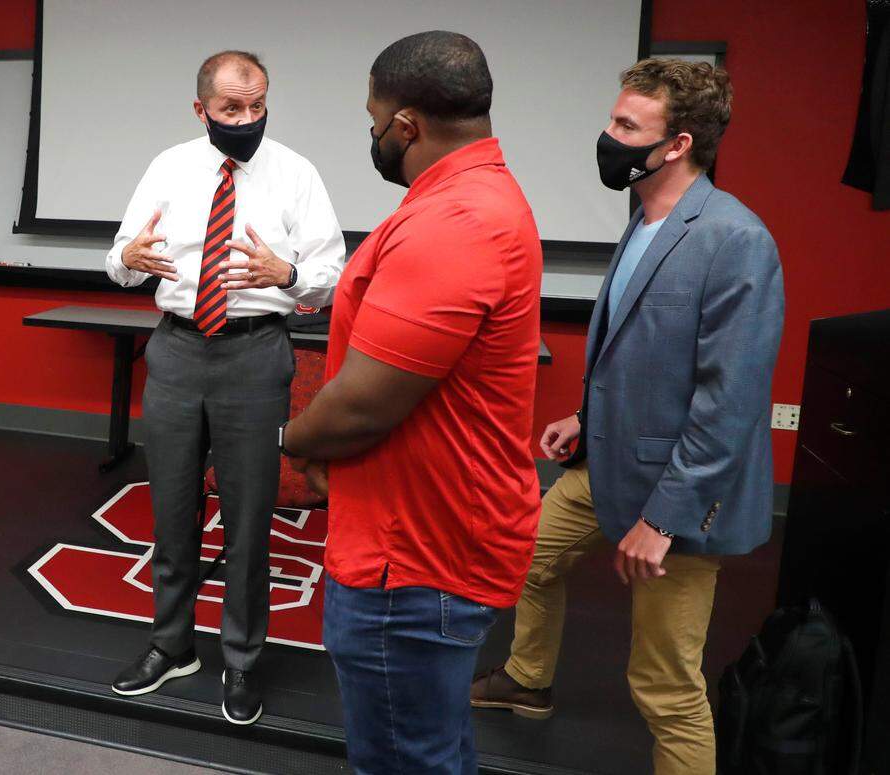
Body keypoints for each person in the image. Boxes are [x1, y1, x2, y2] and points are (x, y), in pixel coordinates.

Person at [469, 59, 785, 775]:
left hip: (679, 495)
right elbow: (643, 352)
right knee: (531, 558)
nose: (607, 136)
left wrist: (664, 519)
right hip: (606, 460)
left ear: (677, 145)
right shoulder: (643, 214)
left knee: (664, 683)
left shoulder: (735, 240)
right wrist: (585, 415)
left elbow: (726, 401)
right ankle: (528, 678)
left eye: (626, 127)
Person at [280, 31, 542, 774]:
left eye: (373, 121)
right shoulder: (472, 198)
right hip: (422, 538)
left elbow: (364, 403)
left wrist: (293, 439)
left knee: (401, 758)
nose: (372, 135)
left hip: (414, 558)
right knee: (431, 746)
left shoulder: (454, 223)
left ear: (407, 126)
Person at [104, 50, 345, 725]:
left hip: (253, 352)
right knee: (172, 510)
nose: (246, 119)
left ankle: (240, 660)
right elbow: (119, 257)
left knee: (247, 520)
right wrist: (127, 257)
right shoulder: (168, 166)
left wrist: (288, 272)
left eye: (257, 106)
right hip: (177, 348)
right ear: (200, 109)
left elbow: (333, 270)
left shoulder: (296, 173)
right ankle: (170, 645)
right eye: (231, 108)